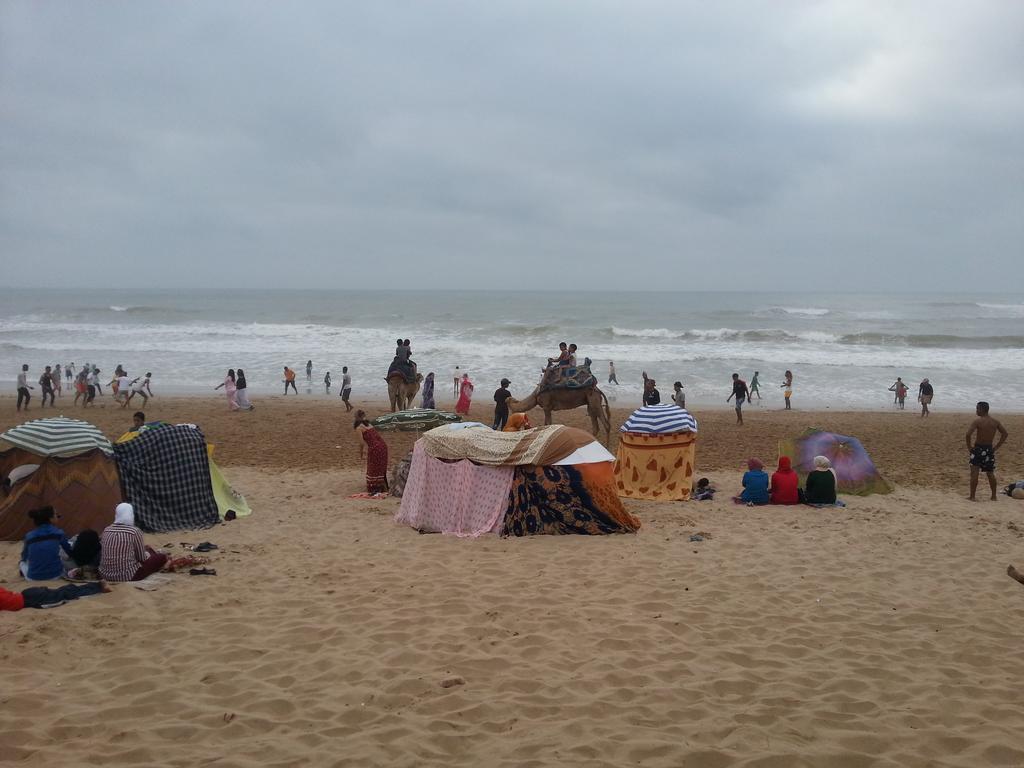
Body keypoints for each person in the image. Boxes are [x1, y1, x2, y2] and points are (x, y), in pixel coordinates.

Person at [99, 503, 168, 582]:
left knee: (148, 550)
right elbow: (142, 558)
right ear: (130, 514)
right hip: (127, 575)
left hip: (105, 575)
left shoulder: (106, 530)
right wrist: (148, 554)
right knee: (162, 557)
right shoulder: (134, 531)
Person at [966, 401, 1009, 501]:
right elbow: (1005, 434)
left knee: (974, 472)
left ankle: (972, 496)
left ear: (982, 410)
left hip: (978, 448)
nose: (976, 410)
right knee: (990, 473)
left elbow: (968, 434)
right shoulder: (995, 421)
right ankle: (993, 496)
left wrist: (969, 447)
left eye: (977, 408)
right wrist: (996, 447)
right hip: (989, 449)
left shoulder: (977, 421)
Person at [19, 507, 72, 580]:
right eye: (56, 515)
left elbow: (24, 556)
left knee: (22, 563)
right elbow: (69, 550)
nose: (58, 516)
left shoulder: (29, 536)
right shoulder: (59, 533)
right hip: (56, 575)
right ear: (50, 519)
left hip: (32, 578)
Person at [1, 581, 109, 611]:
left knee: (66, 595)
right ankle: (96, 586)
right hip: (27, 593)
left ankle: (98, 587)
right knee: (65, 590)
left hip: (30, 600)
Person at [353, 410, 388, 493]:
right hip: (383, 446)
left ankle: (376, 488)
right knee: (381, 467)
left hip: (375, 448)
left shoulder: (359, 428)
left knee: (373, 468)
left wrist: (361, 453)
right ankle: (384, 488)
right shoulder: (369, 424)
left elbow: (361, 443)